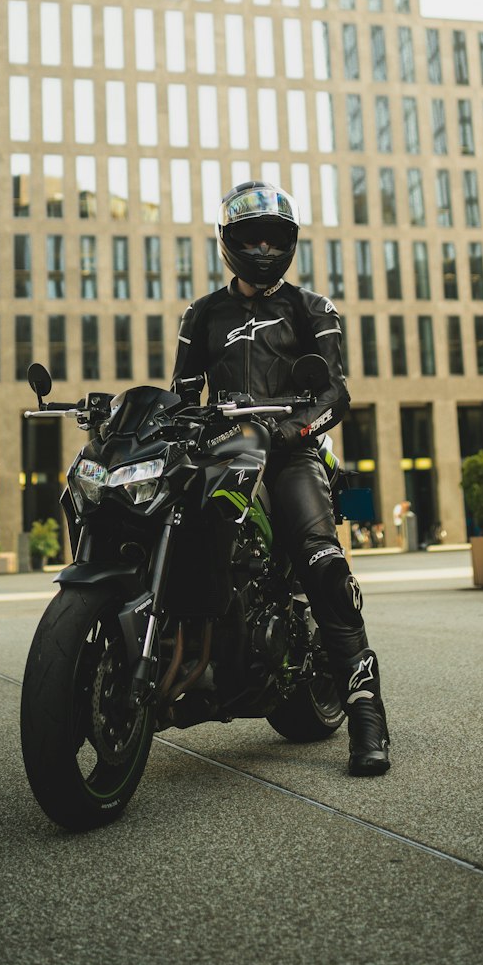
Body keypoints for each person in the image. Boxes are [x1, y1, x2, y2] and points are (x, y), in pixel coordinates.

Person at [172, 178, 391, 777]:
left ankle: (368, 714)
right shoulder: (202, 314)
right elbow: (183, 394)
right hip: (222, 452)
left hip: (292, 452)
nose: (265, 249)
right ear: (229, 241)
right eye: (252, 237)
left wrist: (297, 430)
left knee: (321, 561)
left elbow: (334, 391)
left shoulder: (310, 308)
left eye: (277, 238)